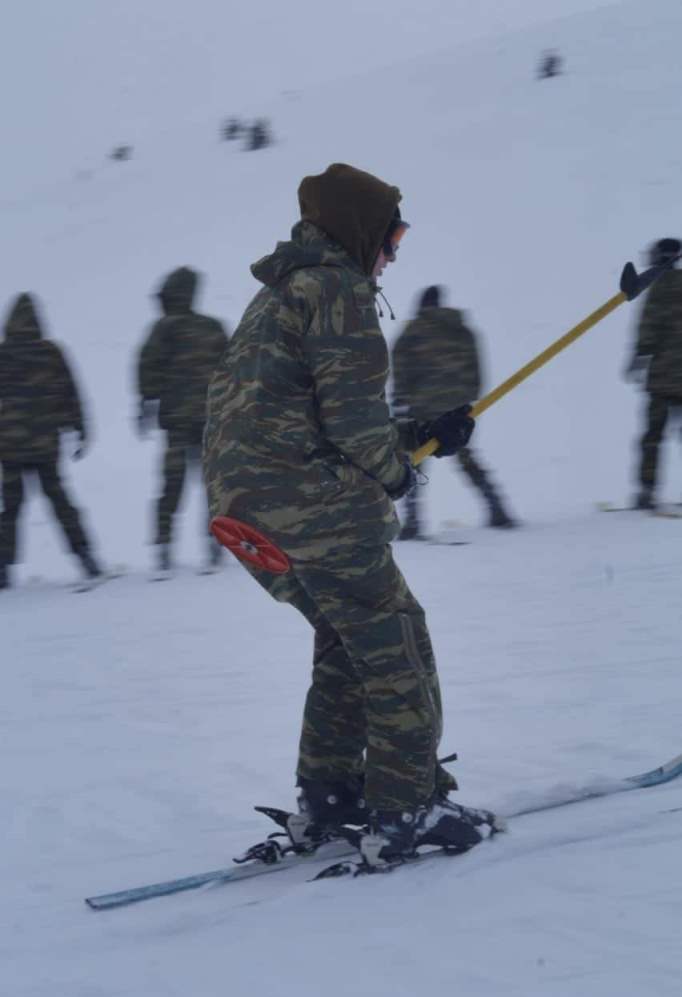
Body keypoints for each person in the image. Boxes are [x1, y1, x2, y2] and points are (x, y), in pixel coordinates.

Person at [203, 163, 497, 865]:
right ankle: (408, 807)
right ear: (361, 231)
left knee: (346, 640)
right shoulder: (338, 289)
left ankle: (332, 794)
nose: (393, 253)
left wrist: (423, 434)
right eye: (392, 236)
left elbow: (311, 414)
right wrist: (398, 471)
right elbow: (354, 423)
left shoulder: (282, 292)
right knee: (396, 640)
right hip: (308, 506)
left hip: (246, 511)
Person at [392, 285, 516, 538]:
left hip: (423, 410)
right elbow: (476, 366)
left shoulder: (413, 332)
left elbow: (401, 370)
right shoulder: (461, 329)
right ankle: (497, 508)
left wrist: (400, 404)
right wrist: (469, 399)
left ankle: (413, 521)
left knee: (415, 462)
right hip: (457, 408)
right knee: (467, 457)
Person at [0, 293, 102, 589]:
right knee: (60, 501)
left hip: (9, 446)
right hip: (45, 444)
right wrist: (79, 428)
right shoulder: (51, 352)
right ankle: (86, 557)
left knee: (11, 508)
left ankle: (2, 568)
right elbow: (70, 392)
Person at [136, 267, 230, 573]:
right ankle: (214, 544)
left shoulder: (163, 328)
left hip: (176, 421)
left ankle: (163, 546)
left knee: (171, 485)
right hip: (211, 420)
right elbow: (234, 368)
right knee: (213, 486)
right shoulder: (212, 327)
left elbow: (147, 367)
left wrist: (145, 403)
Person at [625, 237, 682, 510]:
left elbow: (648, 329)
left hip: (662, 378)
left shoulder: (658, 287)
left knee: (652, 437)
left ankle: (647, 492)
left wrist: (638, 360)